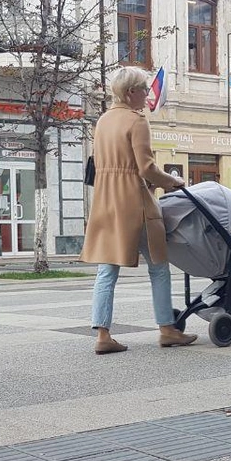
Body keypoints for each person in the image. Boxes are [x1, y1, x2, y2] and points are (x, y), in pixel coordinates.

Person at [80, 67, 197, 354]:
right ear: (130, 92)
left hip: (106, 201)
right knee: (159, 267)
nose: (148, 94)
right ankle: (167, 330)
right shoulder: (136, 122)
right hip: (135, 202)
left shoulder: (103, 121)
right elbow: (146, 168)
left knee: (106, 271)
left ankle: (103, 335)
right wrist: (172, 182)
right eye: (144, 89)